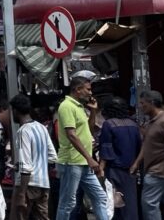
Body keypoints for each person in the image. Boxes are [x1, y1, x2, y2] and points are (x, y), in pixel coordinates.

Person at [55, 76, 108, 220]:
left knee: (100, 197)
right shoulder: (67, 106)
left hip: (83, 162)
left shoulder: (79, 107)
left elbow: (88, 130)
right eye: (88, 89)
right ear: (78, 89)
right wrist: (89, 158)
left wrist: (93, 111)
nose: (90, 93)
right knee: (67, 203)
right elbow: (71, 135)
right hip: (71, 162)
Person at [131, 90, 164, 220]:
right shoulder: (153, 122)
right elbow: (146, 145)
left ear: (151, 103)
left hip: (158, 172)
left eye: (143, 103)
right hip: (162, 173)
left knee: (149, 204)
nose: (141, 106)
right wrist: (137, 163)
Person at [10, 94, 57, 220]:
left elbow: (26, 166)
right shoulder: (41, 128)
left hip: (28, 184)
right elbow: (52, 156)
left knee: (18, 216)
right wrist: (37, 163)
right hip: (43, 183)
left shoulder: (23, 131)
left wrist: (21, 193)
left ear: (15, 111)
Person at [99, 97, 141, 220]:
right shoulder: (133, 124)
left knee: (114, 202)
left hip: (114, 169)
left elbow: (106, 148)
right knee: (130, 202)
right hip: (131, 169)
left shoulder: (109, 124)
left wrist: (101, 168)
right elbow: (139, 146)